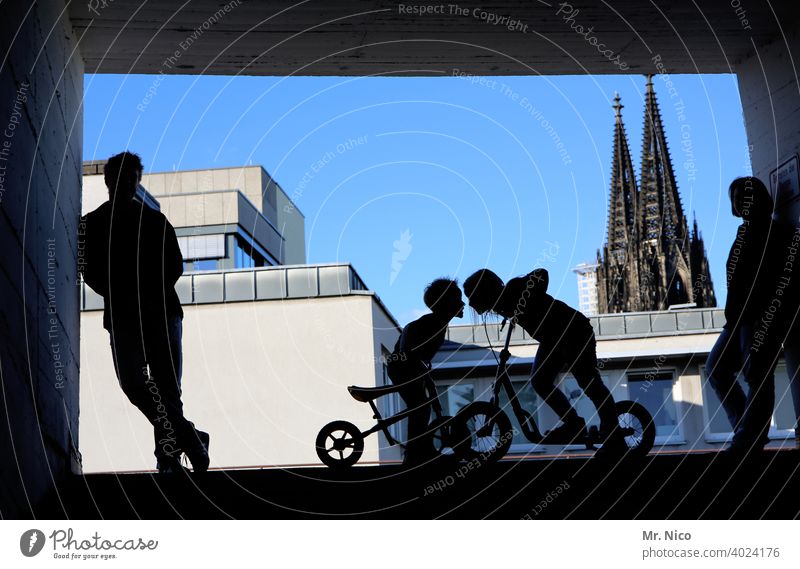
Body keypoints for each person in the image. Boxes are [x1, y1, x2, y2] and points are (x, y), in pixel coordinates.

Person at [79, 151, 209, 474]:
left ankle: (168, 457)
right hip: (141, 313)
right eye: (123, 178)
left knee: (162, 388)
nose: (127, 184)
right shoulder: (96, 224)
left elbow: (173, 265)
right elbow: (89, 271)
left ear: (136, 182)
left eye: (131, 179)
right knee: (139, 383)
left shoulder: (151, 222)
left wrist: (127, 291)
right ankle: (188, 437)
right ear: (110, 181)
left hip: (156, 314)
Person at [463, 267, 626, 454]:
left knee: (589, 382)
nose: (471, 304)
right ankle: (573, 423)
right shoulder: (503, 305)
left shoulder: (514, 288)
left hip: (573, 331)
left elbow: (542, 273)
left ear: (484, 291)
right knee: (540, 380)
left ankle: (614, 437)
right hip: (553, 340)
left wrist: (528, 297)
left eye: (472, 296)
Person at [705, 176, 789, 454]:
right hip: (738, 319)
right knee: (716, 368)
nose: (740, 202)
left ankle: (749, 438)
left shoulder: (774, 233)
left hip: (760, 317)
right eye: (736, 198)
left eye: (745, 196)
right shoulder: (745, 233)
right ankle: (746, 428)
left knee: (757, 375)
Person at [387, 278, 464, 465]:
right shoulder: (427, 324)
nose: (463, 303)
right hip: (402, 369)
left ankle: (419, 449)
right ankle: (413, 453)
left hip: (413, 369)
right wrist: (416, 363)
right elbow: (407, 346)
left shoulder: (438, 324)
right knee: (420, 406)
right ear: (447, 304)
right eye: (458, 299)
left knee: (422, 406)